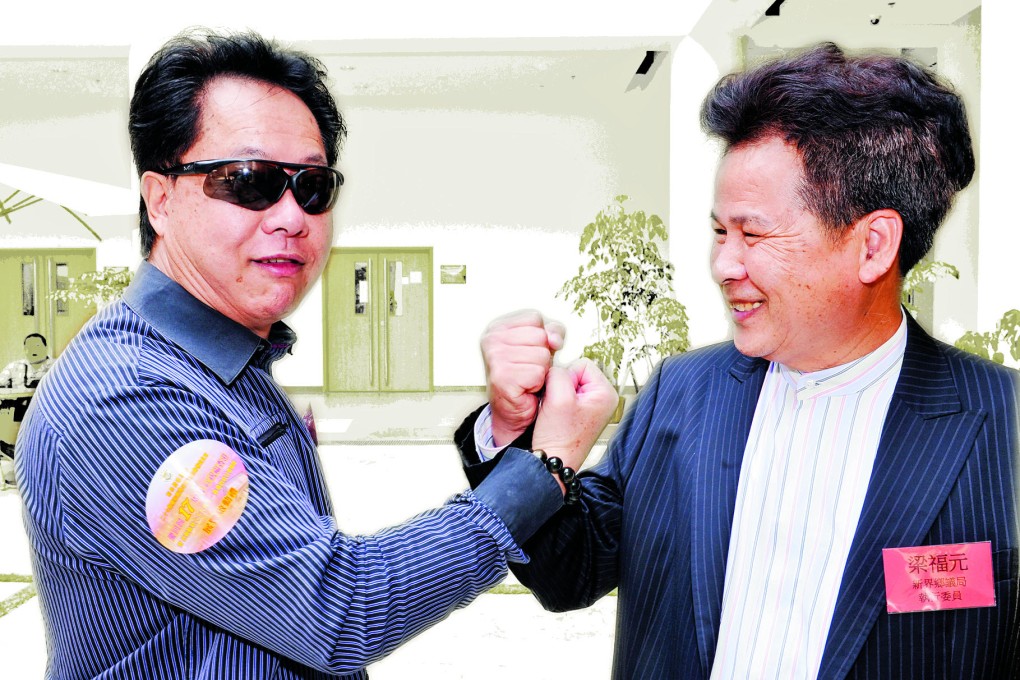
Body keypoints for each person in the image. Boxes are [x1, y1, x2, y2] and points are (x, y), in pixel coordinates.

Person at [15, 29, 616, 679]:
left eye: (312, 187)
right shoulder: (126, 400)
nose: (290, 216)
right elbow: (338, 609)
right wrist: (546, 469)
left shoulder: (226, 366)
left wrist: (506, 435)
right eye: (249, 181)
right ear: (160, 199)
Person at [459, 43, 1020, 679]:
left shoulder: (1002, 424)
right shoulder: (684, 394)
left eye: (753, 235)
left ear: (872, 246)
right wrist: (515, 431)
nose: (724, 265)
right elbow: (571, 572)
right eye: (720, 232)